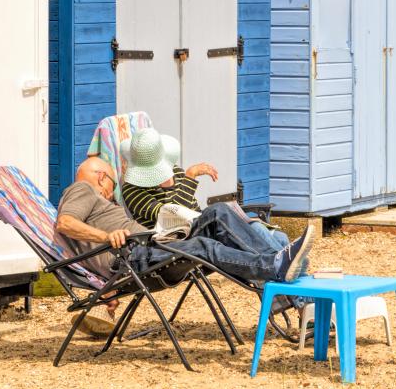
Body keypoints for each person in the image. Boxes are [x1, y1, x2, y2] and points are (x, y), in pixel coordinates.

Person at [56, 156, 314, 335]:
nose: (113, 194)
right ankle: (280, 269)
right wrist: (106, 237)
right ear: (102, 177)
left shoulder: (94, 198)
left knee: (218, 213)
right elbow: (65, 222)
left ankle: (279, 265)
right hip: (135, 257)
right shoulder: (82, 189)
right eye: (112, 185)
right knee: (205, 246)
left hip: (153, 245)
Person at [119, 130, 288, 252]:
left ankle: (292, 295)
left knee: (280, 238)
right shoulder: (132, 189)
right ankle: (284, 278)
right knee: (224, 214)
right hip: (179, 239)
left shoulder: (175, 171)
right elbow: (173, 216)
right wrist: (190, 177)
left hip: (203, 228)